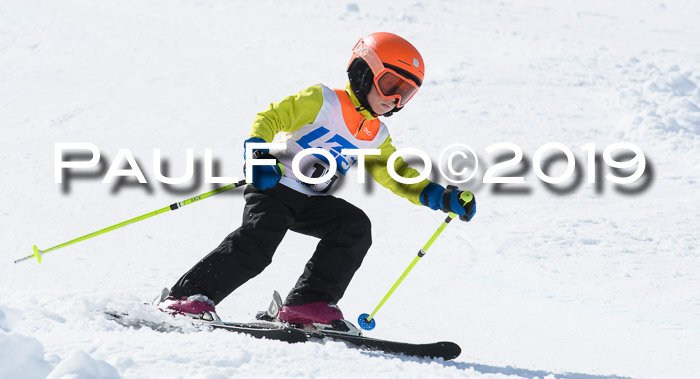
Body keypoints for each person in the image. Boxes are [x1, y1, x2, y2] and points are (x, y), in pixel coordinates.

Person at [159, 32, 476, 327]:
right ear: (364, 72)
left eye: (405, 93)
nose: (394, 99)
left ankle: (308, 303)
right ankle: (187, 296)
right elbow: (271, 118)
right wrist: (258, 155)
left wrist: (439, 196)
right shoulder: (323, 100)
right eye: (390, 84)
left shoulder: (376, 134)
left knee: (353, 226)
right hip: (274, 186)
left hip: (313, 202)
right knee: (259, 242)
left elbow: (397, 174)